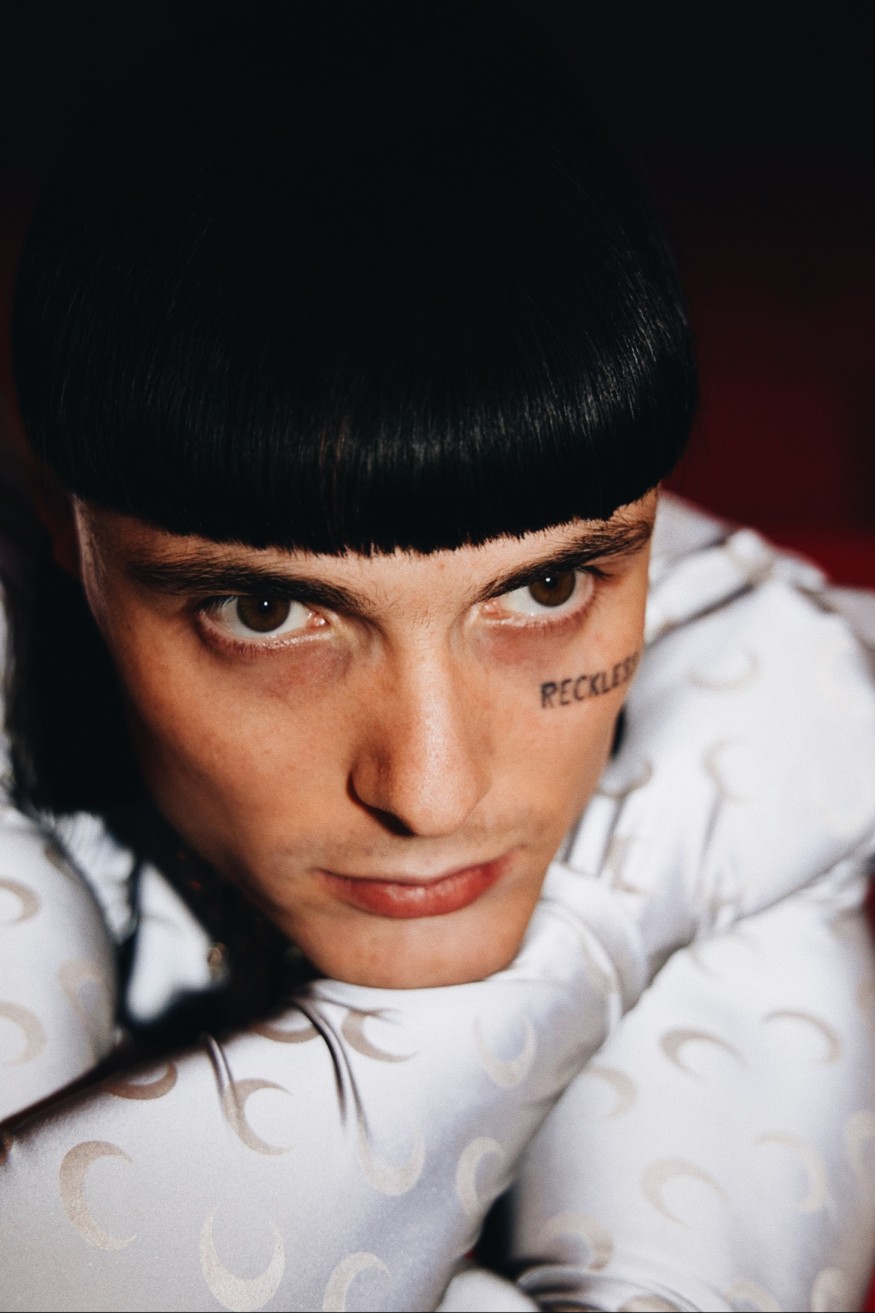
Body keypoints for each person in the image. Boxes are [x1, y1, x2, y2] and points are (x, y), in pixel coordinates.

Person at [1, 4, 874, 1310]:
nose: (433, 789)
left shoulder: (745, 674)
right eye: (264, 614)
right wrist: (612, 919)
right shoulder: (748, 761)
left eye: (548, 588)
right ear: (66, 537)